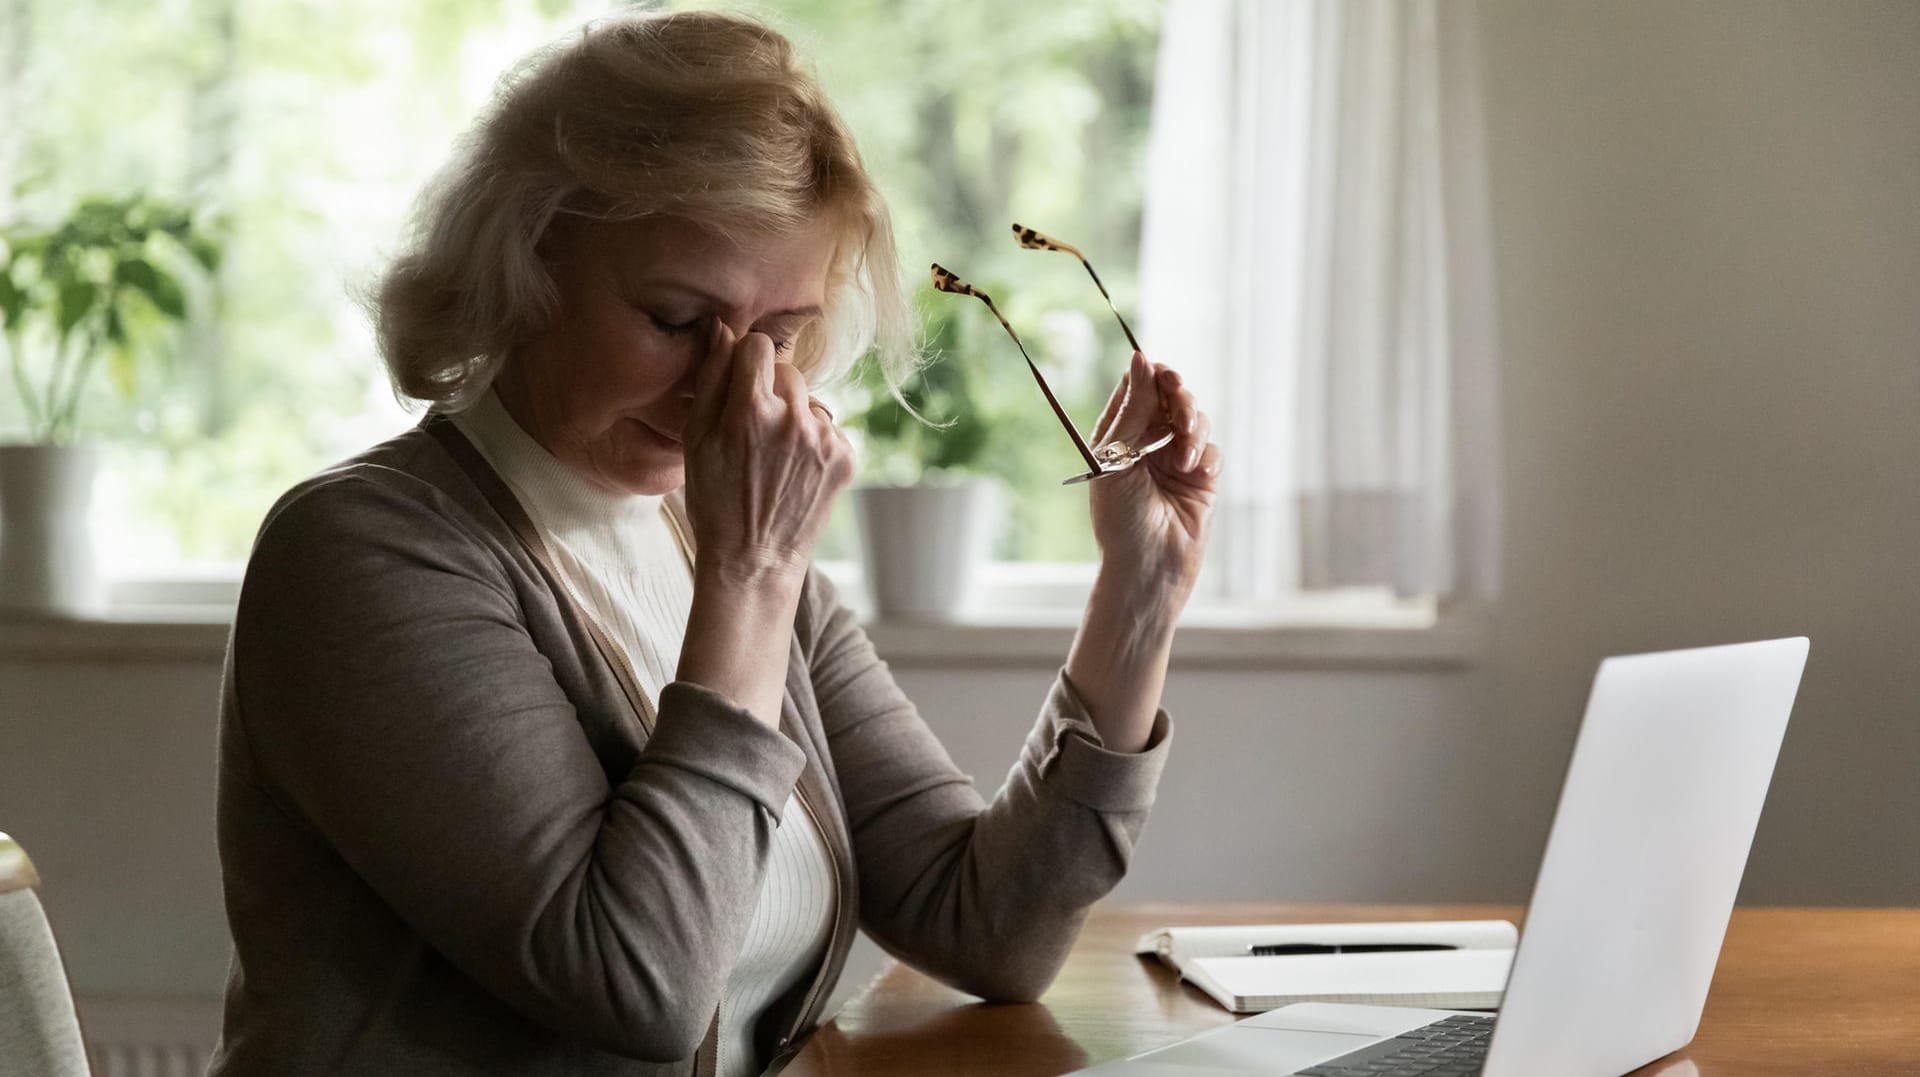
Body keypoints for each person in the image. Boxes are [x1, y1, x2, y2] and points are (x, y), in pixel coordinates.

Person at [208, 10, 1221, 1077]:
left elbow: (989, 927)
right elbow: (636, 985)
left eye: (780, 334)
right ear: (528, 263)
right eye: (677, 319)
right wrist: (752, 572)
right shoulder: (363, 554)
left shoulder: (723, 542)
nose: (726, 385)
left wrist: (1140, 590)